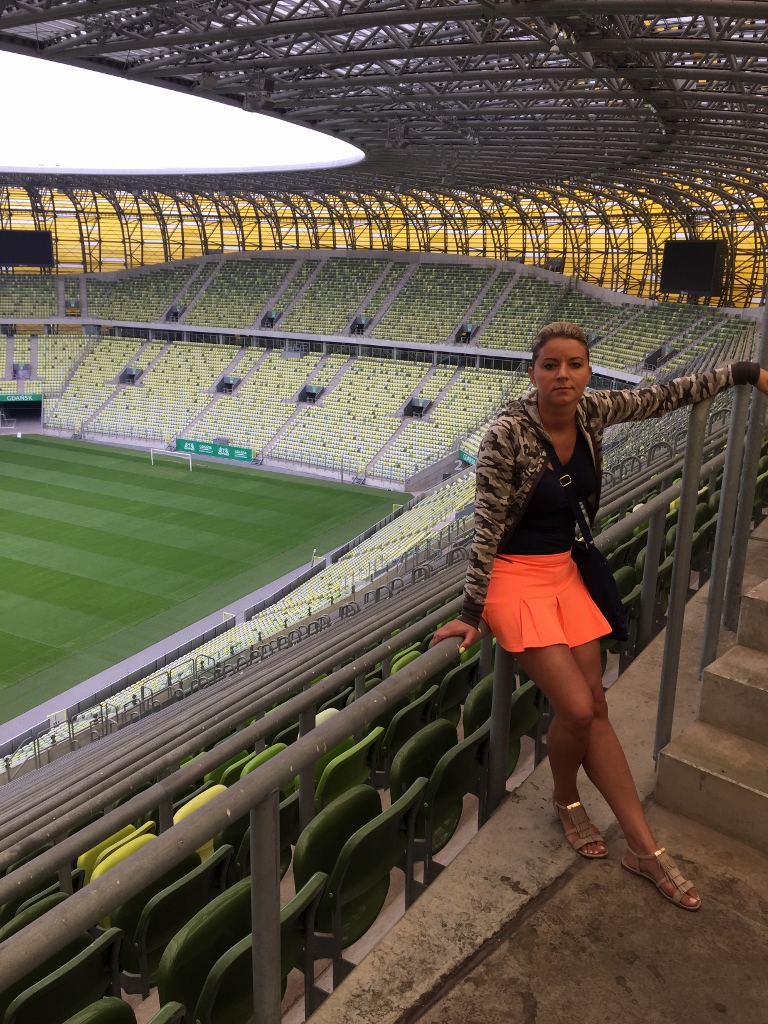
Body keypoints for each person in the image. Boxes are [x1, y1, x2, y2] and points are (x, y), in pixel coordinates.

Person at [433, 320, 768, 911]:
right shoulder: (506, 434)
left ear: (588, 371)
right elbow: (486, 527)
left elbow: (665, 396)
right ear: (532, 372)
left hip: (564, 573)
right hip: (513, 580)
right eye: (551, 365)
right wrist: (470, 611)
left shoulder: (592, 410)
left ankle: (627, 837)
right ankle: (589, 812)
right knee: (580, 707)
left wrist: (741, 372)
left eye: (575, 365)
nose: (563, 375)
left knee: (596, 706)